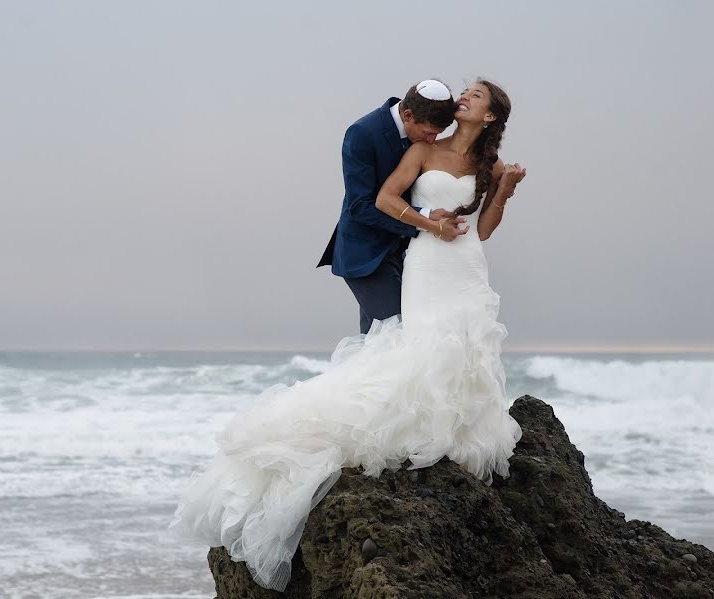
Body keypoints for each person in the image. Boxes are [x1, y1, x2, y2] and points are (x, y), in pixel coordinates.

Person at [171, 79, 526, 592]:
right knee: (401, 343)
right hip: (408, 252)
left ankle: (445, 428)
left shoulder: (487, 163)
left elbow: (487, 227)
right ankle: (379, 428)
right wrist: (430, 225)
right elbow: (376, 199)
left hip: (464, 264)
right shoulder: (398, 143)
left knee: (458, 345)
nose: (458, 108)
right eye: (453, 102)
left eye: (473, 98)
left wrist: (506, 190)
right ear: (409, 116)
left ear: (490, 118)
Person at [317, 80, 468, 334]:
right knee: (399, 334)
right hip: (365, 256)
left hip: (406, 255)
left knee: (374, 347)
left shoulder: (421, 136)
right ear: (407, 115)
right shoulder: (362, 133)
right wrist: (425, 221)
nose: (432, 140)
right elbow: (360, 206)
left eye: (438, 134)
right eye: (429, 132)